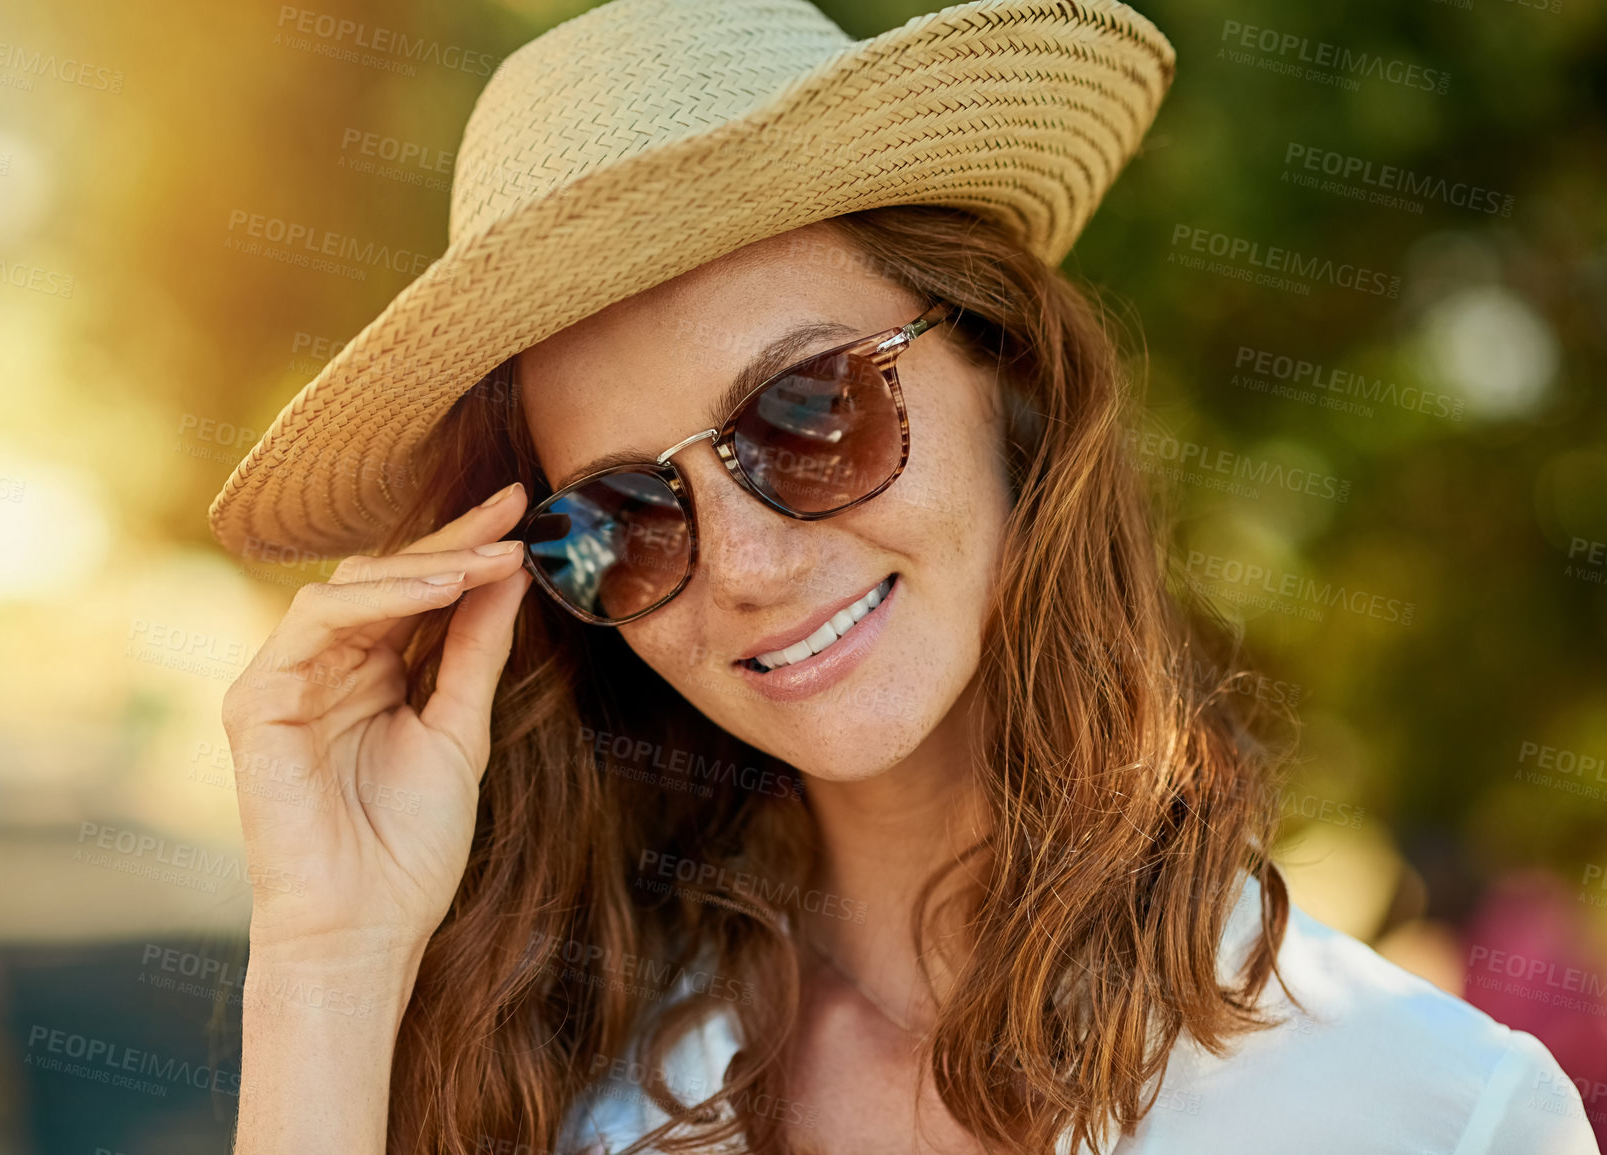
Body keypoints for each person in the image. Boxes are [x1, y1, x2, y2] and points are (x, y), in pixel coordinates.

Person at [207, 0, 1599, 1152]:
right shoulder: (562, 1085)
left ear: (1013, 374)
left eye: (808, 412)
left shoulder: (1437, 1118)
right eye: (621, 518)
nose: (746, 566)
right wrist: (328, 953)